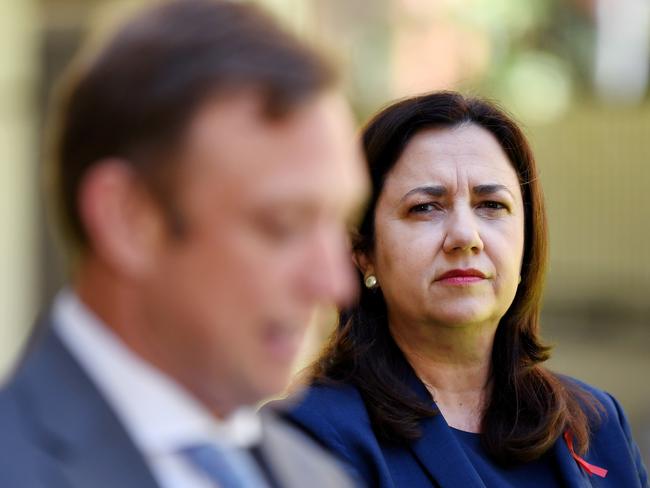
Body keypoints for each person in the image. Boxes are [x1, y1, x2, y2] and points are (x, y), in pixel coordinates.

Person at [0, 1, 367, 487]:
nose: (335, 283)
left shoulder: (319, 477)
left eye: (338, 220)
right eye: (282, 224)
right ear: (127, 219)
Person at [275, 92, 649, 487]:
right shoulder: (308, 437)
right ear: (363, 251)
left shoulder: (597, 422)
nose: (465, 236)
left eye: (491, 205)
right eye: (425, 207)